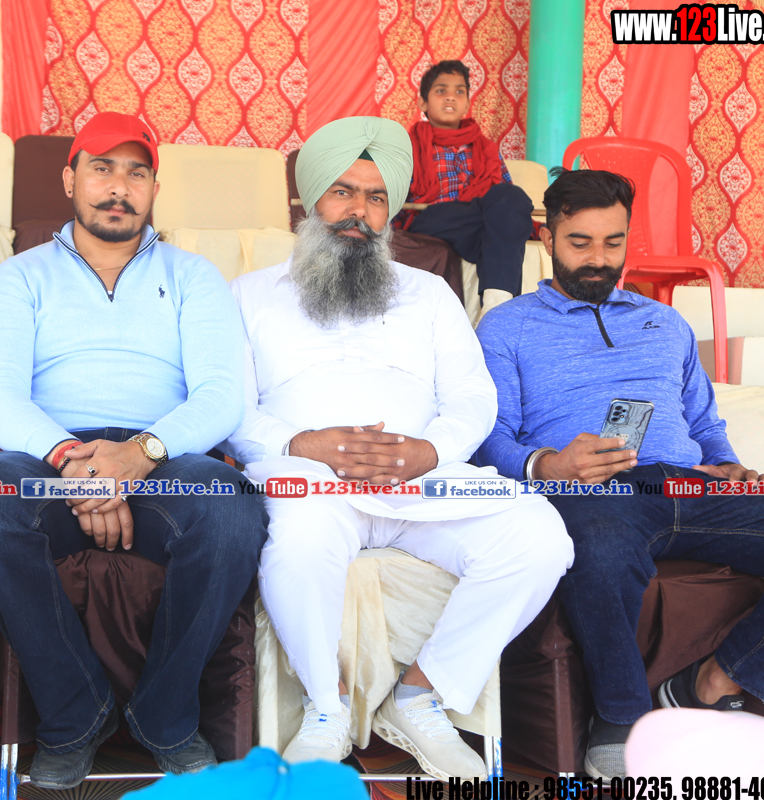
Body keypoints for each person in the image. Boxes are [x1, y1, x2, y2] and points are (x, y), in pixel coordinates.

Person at [221, 116, 572, 779]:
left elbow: (473, 397)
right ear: (308, 200)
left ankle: (420, 696)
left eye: (376, 197)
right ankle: (326, 707)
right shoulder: (248, 295)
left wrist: (428, 453)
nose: (359, 211)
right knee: (299, 543)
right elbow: (230, 409)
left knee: (540, 537)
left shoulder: (430, 293)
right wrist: (304, 442)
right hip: (311, 482)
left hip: (422, 484)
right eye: (343, 192)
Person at [0, 112, 268, 790]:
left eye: (136, 173)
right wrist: (76, 464)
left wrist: (140, 453)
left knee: (233, 511)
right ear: (69, 179)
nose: (119, 187)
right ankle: (75, 713)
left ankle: (166, 715)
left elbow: (219, 396)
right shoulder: (20, 277)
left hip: (165, 461)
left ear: (154, 189)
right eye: (102, 168)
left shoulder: (194, 275)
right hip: (49, 458)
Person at [475, 167, 764, 780]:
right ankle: (622, 718)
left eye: (613, 242)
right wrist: (548, 464)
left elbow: (704, 422)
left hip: (689, 485)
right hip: (589, 491)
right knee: (600, 544)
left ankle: (715, 681)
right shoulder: (507, 326)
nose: (598, 260)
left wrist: (728, 464)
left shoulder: (666, 323)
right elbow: (486, 439)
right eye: (580, 243)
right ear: (547, 240)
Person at [392, 60, 533, 311]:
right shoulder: (407, 147)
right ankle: (501, 309)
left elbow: (505, 201)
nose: (450, 97)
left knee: (512, 197)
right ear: (423, 103)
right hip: (432, 221)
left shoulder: (486, 148)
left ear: (467, 103)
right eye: (441, 90)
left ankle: (496, 304)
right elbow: (393, 199)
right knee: (500, 222)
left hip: (475, 227)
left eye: (459, 91)